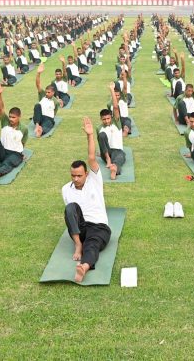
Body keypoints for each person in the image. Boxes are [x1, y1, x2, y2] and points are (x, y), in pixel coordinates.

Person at [62, 117, 111, 283]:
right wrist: (77, 240)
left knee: (92, 244)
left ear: (87, 174)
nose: (75, 179)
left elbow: (91, 158)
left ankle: (84, 267)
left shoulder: (94, 180)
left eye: (79, 175)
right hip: (81, 229)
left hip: (99, 226)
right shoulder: (65, 189)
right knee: (70, 208)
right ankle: (78, 245)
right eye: (73, 175)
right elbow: (71, 218)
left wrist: (90, 135)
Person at [0, 83, 27, 181]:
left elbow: (22, 143)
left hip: (15, 154)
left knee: (9, 162)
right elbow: (1, 109)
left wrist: (21, 153)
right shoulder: (5, 122)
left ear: (19, 117)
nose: (11, 119)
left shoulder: (24, 128)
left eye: (14, 117)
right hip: (3, 152)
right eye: (10, 117)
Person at [98, 83, 127, 179]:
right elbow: (101, 142)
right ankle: (108, 160)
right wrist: (104, 155)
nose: (106, 121)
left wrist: (111, 90)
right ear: (101, 119)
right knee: (101, 135)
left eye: (108, 118)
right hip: (106, 154)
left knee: (119, 158)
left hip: (117, 151)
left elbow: (115, 107)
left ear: (111, 117)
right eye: (104, 119)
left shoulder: (116, 123)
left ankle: (114, 169)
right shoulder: (99, 128)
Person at [32, 63, 62, 138]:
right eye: (46, 92)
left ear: (53, 93)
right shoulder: (42, 95)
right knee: (37, 105)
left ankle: (41, 131)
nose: (46, 93)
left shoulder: (55, 101)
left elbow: (54, 113)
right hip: (39, 118)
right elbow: (38, 85)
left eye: (48, 92)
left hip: (48, 118)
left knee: (48, 124)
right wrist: (38, 73)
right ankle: (37, 126)